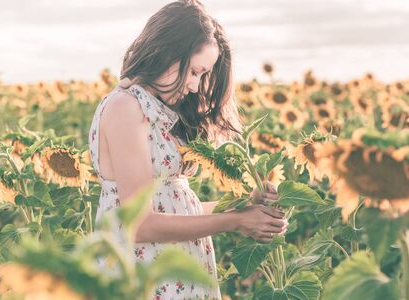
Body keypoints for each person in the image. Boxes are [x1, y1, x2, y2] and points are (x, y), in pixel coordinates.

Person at [88, 0, 288, 298]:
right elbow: (139, 224)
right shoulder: (125, 108)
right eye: (195, 72)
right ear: (168, 51)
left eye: (202, 76)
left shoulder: (155, 111)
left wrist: (243, 205)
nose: (195, 86)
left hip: (173, 272)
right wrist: (236, 221)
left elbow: (175, 206)